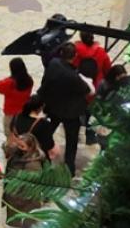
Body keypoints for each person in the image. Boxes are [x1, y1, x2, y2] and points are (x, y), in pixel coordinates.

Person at [36, 43, 91, 175]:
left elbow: (45, 82)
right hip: (70, 113)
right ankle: (68, 168)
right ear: (74, 56)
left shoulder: (53, 63)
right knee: (71, 141)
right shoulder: (73, 76)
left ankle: (41, 156)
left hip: (53, 107)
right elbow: (86, 90)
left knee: (46, 133)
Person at [2, 134, 46, 227]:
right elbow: (7, 149)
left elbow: (30, 189)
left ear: (30, 147)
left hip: (24, 203)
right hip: (14, 197)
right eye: (18, 145)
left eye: (22, 146)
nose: (19, 148)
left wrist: (15, 200)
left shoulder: (33, 165)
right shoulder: (18, 153)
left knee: (22, 223)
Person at [0, 58, 34, 136]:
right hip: (23, 112)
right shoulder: (29, 80)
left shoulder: (10, 83)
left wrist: (8, 78)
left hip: (10, 113)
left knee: (9, 134)